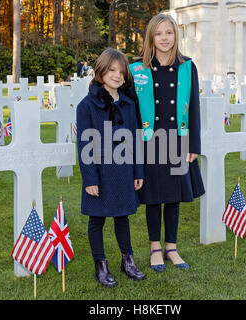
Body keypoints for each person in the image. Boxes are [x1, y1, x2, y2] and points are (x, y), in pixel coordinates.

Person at [129, 14, 205, 272]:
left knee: (173, 196)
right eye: (159, 33)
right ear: (151, 36)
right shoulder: (137, 68)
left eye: (169, 33)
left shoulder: (187, 66)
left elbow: (194, 106)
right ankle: (155, 248)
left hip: (177, 139)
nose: (164, 38)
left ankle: (171, 247)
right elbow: (131, 110)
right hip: (149, 141)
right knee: (153, 197)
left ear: (176, 35)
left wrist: (194, 145)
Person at [76, 48, 146, 288]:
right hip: (100, 171)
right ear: (101, 71)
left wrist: (138, 172)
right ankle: (101, 265)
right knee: (97, 219)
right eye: (112, 70)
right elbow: (85, 145)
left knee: (122, 217)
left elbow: (136, 139)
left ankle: (128, 261)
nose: (117, 75)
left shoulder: (128, 103)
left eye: (121, 71)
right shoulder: (86, 106)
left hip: (124, 171)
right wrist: (90, 180)